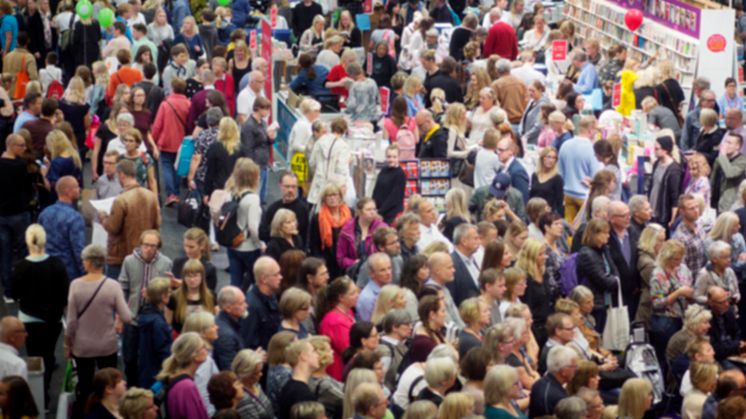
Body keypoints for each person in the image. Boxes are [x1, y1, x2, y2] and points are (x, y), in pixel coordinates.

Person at [65, 244, 132, 413]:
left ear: (88, 262)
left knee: (85, 386)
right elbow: (127, 316)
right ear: (102, 262)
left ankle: (86, 413)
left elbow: (71, 321)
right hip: (107, 345)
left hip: (82, 346)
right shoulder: (113, 286)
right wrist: (117, 321)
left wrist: (68, 343)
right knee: (108, 386)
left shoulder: (75, 285)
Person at [8, 224, 66, 399]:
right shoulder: (57, 264)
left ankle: (37, 393)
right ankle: (46, 390)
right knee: (48, 354)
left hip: (29, 318)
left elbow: (14, 293)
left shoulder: (20, 267)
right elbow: (64, 293)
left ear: (27, 241)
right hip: (53, 320)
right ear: (44, 240)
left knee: (33, 355)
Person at [0, 134, 34, 298]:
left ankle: (8, 290)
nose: (24, 148)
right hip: (19, 213)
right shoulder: (20, 165)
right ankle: (24, 287)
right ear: (12, 146)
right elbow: (27, 188)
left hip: (2, 215)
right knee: (23, 251)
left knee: (5, 253)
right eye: (21, 145)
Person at [155, 332, 210, 419]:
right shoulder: (186, 387)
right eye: (203, 347)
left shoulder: (178, 379)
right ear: (194, 355)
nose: (207, 348)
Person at [558, 115, 602, 223]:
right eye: (596, 130)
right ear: (590, 130)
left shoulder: (565, 145)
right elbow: (596, 175)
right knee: (583, 231)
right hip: (584, 196)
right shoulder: (592, 148)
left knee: (569, 230)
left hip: (567, 193)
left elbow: (560, 172)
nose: (596, 133)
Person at [318, 277, 359, 380]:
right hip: (339, 372)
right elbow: (348, 351)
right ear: (341, 297)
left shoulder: (348, 311)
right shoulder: (335, 322)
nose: (357, 295)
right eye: (353, 293)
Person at [259, 172, 311, 245]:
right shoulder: (273, 208)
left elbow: (306, 235)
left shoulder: (303, 209)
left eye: (293, 187)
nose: (290, 190)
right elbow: (264, 232)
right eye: (287, 186)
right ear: (280, 186)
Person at [307, 118, 351, 205]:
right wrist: (342, 185)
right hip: (333, 188)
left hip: (318, 184)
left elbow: (311, 162)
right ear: (345, 130)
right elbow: (341, 169)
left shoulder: (320, 141)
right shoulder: (343, 146)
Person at [241, 97, 275, 202]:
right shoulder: (249, 126)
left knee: (262, 196)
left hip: (264, 163)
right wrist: (251, 167)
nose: (267, 112)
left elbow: (266, 142)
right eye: (266, 109)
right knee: (255, 195)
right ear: (258, 108)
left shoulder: (263, 123)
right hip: (255, 165)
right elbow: (247, 148)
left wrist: (271, 138)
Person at [529, 346, 578, 418]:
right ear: (563, 371)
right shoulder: (558, 398)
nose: (576, 370)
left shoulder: (540, 383)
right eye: (574, 366)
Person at [277, 339, 321, 419]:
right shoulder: (301, 394)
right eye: (314, 351)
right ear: (303, 356)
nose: (318, 355)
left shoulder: (290, 386)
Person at [650, 134, 683, 229]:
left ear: (665, 150)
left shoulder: (674, 170)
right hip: (652, 208)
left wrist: (673, 218)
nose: (654, 151)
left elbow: (674, 195)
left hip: (662, 212)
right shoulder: (657, 163)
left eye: (657, 149)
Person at [707, 286, 746, 363]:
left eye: (727, 300)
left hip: (733, 350)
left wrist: (737, 347)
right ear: (711, 303)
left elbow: (737, 332)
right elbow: (716, 349)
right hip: (718, 357)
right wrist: (736, 344)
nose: (727, 304)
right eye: (722, 302)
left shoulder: (729, 311)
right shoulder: (706, 319)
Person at [232, 348, 274, 419]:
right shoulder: (242, 397)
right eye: (256, 373)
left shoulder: (255, 384)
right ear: (246, 373)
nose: (261, 374)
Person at [672, 194, 708, 275]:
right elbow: (680, 268)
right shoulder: (679, 238)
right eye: (691, 208)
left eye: (697, 207)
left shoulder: (699, 226)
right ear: (682, 212)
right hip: (691, 281)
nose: (696, 210)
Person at [213, 286, 247, 371]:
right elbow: (230, 369)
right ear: (228, 308)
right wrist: (252, 360)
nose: (246, 305)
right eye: (241, 303)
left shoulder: (230, 321)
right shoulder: (226, 336)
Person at [447, 224, 481, 307]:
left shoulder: (473, 259)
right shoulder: (451, 262)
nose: (479, 241)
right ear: (464, 241)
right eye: (475, 238)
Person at [711, 132, 746, 213]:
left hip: (728, 205)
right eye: (725, 142)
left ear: (737, 146)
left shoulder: (743, 161)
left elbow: (730, 173)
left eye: (729, 143)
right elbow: (713, 179)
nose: (725, 145)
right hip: (714, 202)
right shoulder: (720, 159)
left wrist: (722, 156)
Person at [356, 253, 394, 322]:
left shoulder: (388, 287)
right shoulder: (367, 298)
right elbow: (369, 327)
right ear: (372, 274)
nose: (388, 273)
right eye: (382, 270)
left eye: (389, 268)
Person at [492, 59, 527, 127]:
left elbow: (494, 104)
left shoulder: (496, 85)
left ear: (497, 70)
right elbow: (526, 100)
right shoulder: (520, 82)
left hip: (505, 122)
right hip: (522, 120)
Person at [497, 138, 529, 203]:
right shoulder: (501, 168)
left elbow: (523, 199)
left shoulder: (518, 172)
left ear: (511, 151)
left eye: (501, 150)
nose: (498, 152)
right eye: (497, 149)